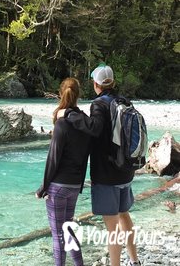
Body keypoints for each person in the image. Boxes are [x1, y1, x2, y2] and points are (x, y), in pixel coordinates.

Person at [64, 65, 141, 266]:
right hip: (126, 170)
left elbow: (95, 128)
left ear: (96, 84)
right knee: (124, 215)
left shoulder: (99, 104)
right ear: (112, 82)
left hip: (107, 174)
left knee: (112, 226)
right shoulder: (124, 101)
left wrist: (71, 114)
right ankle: (134, 260)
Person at [36, 77, 91, 266]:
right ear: (78, 95)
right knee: (68, 231)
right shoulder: (85, 124)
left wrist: (43, 188)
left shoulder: (62, 125)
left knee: (58, 235)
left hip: (58, 187)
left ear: (61, 93)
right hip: (75, 186)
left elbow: (53, 159)